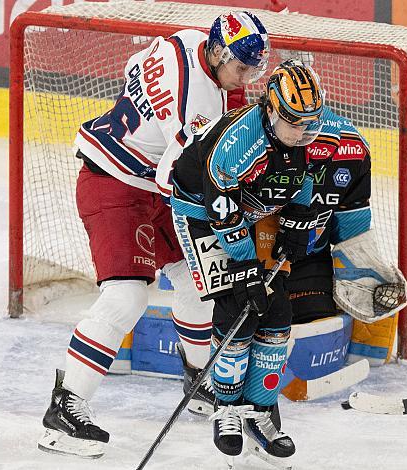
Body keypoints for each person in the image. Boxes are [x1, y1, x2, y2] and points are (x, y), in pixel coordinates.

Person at [37, 11, 270, 458]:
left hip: (146, 174)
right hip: (116, 181)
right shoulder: (194, 102)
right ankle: (64, 411)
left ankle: (202, 381)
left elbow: (132, 70)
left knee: (201, 277)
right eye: (241, 68)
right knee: (128, 297)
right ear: (219, 53)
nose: (246, 79)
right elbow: (179, 177)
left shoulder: (188, 39)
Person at [169, 59, 324, 466]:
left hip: (251, 210)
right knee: (237, 302)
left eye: (312, 122)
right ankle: (225, 409)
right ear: (271, 111)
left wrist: (298, 224)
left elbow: (304, 179)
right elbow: (220, 211)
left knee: (277, 308)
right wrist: (243, 268)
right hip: (201, 212)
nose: (306, 132)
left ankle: (260, 410)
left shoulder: (297, 135)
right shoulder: (241, 144)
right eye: (296, 123)